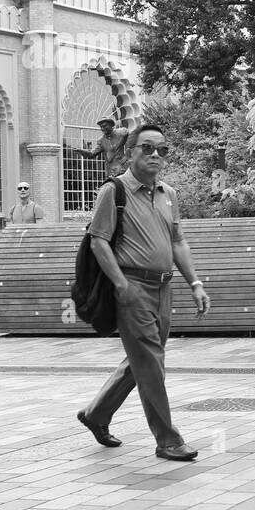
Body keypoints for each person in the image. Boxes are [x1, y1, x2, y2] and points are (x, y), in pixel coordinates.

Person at [75, 124, 211, 461]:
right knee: (151, 361)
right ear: (130, 151)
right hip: (132, 287)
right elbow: (98, 241)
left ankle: (97, 413)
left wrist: (195, 283)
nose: (155, 155)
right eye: (147, 148)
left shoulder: (169, 194)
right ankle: (167, 439)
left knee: (143, 359)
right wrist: (121, 284)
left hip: (163, 287)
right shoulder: (114, 191)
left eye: (162, 150)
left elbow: (177, 241)